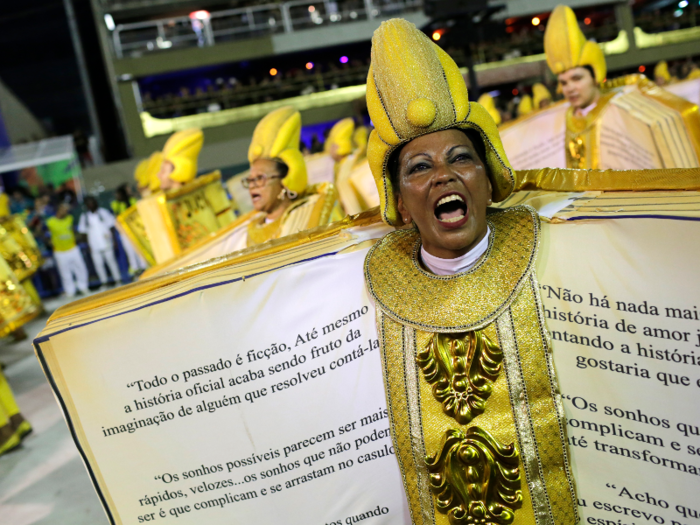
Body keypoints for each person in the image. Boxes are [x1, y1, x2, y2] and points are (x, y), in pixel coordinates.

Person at [362, 19, 578, 523]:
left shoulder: (559, 263)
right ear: (401, 202)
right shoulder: (363, 304)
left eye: (462, 158)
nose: (443, 174)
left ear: (487, 178)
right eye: (418, 168)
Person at [46, 203, 88, 297]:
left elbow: (74, 230)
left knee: (80, 268)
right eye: (63, 209)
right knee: (65, 273)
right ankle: (70, 291)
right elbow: (44, 233)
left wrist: (77, 237)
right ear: (58, 209)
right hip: (59, 251)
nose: (65, 211)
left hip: (73, 248)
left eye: (66, 210)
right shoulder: (50, 222)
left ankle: (83, 287)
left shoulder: (69, 218)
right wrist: (48, 242)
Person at [78, 196, 121, 287]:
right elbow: (83, 232)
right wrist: (87, 245)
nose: (91, 205)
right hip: (94, 245)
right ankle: (104, 282)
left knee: (111, 261)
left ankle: (118, 280)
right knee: (98, 265)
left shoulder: (103, 212)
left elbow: (111, 226)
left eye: (92, 202)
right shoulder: (84, 217)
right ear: (86, 205)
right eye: (88, 203)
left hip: (106, 242)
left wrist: (114, 240)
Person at [111, 185, 147, 275]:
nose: (117, 197)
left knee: (139, 248)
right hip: (124, 232)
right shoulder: (116, 204)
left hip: (135, 230)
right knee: (130, 251)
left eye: (119, 194)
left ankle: (144, 266)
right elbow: (117, 216)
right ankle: (135, 268)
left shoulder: (132, 201)